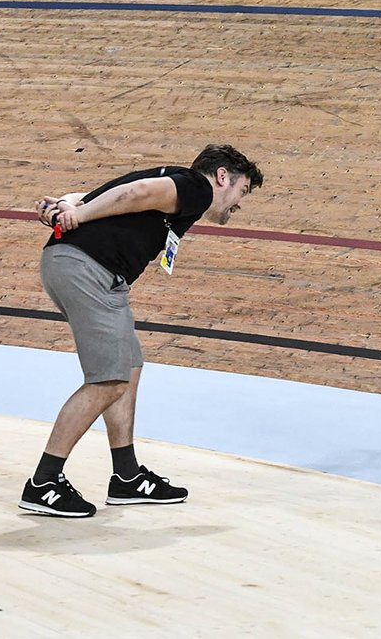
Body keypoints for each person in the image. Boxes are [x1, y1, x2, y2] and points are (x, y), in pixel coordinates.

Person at [19, 143, 264, 518]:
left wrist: (65, 206)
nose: (240, 203)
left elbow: (91, 195)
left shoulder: (174, 181)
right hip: (89, 269)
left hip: (85, 269)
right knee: (108, 380)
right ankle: (43, 482)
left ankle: (127, 477)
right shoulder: (196, 188)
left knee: (129, 366)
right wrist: (77, 215)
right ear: (221, 177)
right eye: (242, 190)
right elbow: (138, 192)